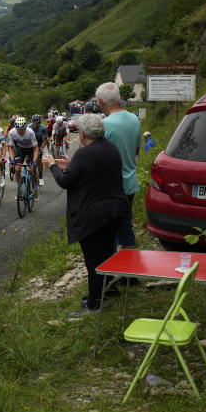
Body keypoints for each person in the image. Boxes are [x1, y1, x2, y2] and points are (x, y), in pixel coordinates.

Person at [42, 113, 129, 316]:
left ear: (81, 134)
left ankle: (94, 304)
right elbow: (89, 171)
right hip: (116, 209)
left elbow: (65, 182)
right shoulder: (110, 147)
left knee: (93, 261)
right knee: (107, 252)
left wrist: (52, 166)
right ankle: (110, 291)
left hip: (94, 214)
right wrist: (68, 165)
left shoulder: (84, 153)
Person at [96, 81, 142, 249]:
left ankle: (115, 271)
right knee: (125, 227)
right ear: (120, 98)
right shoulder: (134, 119)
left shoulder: (104, 125)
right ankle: (129, 271)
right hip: (129, 184)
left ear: (100, 102)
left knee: (109, 233)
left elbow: (96, 158)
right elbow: (136, 151)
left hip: (110, 188)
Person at [29, 114, 48, 186]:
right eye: (34, 123)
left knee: (39, 160)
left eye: (37, 123)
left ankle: (40, 177)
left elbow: (45, 140)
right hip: (30, 144)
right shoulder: (29, 127)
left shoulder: (43, 128)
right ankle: (30, 172)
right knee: (28, 159)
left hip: (39, 143)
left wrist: (41, 148)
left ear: (40, 123)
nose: (35, 124)